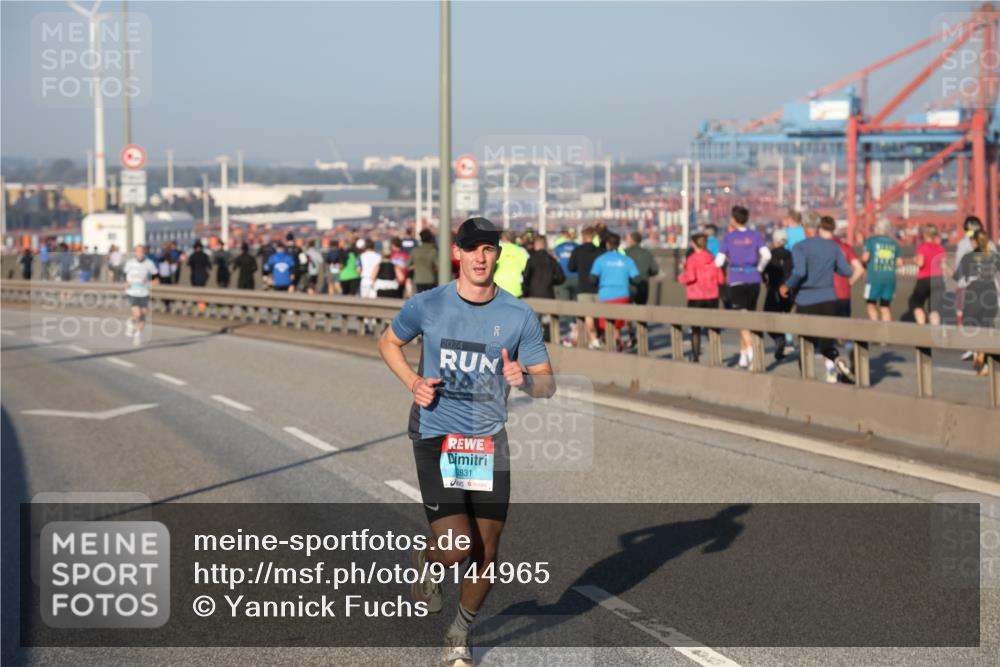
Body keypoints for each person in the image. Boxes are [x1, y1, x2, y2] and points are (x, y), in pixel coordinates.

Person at [378, 216, 554, 667]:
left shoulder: (518, 315)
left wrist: (525, 380)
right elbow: (388, 343)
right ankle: (429, 558)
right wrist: (413, 382)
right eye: (472, 248)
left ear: (498, 254)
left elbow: (547, 383)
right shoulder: (428, 304)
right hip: (436, 433)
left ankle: (459, 633)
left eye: (488, 249)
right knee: (457, 545)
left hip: (487, 442)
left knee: (486, 551)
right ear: (457, 253)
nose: (480, 257)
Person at [779, 216, 861, 383]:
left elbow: (800, 272)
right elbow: (847, 271)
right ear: (818, 227)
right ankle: (836, 361)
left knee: (806, 343)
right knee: (826, 341)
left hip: (806, 300)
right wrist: (830, 265)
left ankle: (806, 381)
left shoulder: (800, 247)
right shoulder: (833, 246)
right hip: (829, 299)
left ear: (804, 227)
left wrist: (786, 286)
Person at [715, 206, 770, 368]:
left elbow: (718, 262)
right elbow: (767, 255)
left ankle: (752, 352)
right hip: (754, 280)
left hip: (737, 280)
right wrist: (759, 268)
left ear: (733, 219)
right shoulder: (755, 235)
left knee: (742, 318)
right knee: (748, 318)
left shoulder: (729, 237)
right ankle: (743, 355)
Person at [953, 229, 999, 375]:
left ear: (974, 241)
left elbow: (957, 277)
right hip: (990, 293)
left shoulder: (968, 257)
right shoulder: (994, 256)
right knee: (986, 326)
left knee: (971, 325)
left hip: (974, 294)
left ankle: (978, 355)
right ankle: (983, 357)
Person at [590, 233, 640, 350]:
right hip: (623, 295)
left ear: (607, 244)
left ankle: (614, 343)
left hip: (606, 295)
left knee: (606, 323)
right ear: (618, 244)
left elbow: (592, 279)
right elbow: (637, 279)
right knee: (617, 322)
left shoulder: (600, 260)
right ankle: (618, 342)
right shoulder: (627, 260)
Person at [679, 233, 723, 362]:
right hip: (712, 296)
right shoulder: (713, 259)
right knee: (713, 327)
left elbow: (691, 277)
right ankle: (716, 357)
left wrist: (681, 276)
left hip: (696, 296)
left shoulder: (692, 259)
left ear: (694, 244)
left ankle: (695, 356)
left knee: (695, 329)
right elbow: (721, 279)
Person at [954, 216, 996, 332]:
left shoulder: (964, 244)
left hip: (970, 286)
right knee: (986, 321)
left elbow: (959, 270)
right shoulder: (990, 243)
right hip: (989, 287)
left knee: (967, 319)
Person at [568, 227, 604, 348]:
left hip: (583, 288)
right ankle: (595, 339)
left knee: (588, 315)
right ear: (593, 237)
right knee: (598, 315)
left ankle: (593, 340)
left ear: (583, 237)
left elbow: (571, 267)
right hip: (599, 288)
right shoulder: (600, 251)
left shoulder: (577, 250)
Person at [762, 229, 794, 360]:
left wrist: (765, 281)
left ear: (775, 241)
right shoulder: (791, 255)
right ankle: (783, 343)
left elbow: (762, 271)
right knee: (785, 317)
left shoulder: (770, 255)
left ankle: (779, 338)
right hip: (789, 291)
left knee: (767, 318)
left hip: (774, 291)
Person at [861, 219, 902, 322]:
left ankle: (875, 328)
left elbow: (865, 258)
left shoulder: (871, 241)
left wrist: (864, 265)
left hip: (874, 278)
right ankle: (886, 330)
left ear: (877, 228)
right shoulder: (894, 243)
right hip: (890, 278)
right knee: (885, 306)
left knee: (871, 304)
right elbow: (899, 263)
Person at [907, 223, 946, 325]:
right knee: (934, 308)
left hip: (924, 279)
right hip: (938, 279)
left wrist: (914, 260)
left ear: (925, 234)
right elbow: (944, 265)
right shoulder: (940, 248)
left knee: (915, 302)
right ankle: (935, 330)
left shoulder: (922, 247)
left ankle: (921, 324)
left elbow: (921, 263)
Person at [123, 245, 159, 346]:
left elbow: (156, 275)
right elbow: (123, 274)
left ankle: (137, 335)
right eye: (138, 251)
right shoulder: (130, 263)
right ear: (135, 253)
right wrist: (125, 282)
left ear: (144, 252)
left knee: (143, 315)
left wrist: (155, 281)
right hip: (132, 291)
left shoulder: (149, 263)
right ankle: (131, 322)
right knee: (138, 314)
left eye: (142, 251)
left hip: (144, 292)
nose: (140, 253)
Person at [832, 232, 864, 318]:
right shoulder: (845, 247)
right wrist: (849, 283)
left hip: (823, 294)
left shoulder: (818, 246)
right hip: (843, 293)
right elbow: (859, 269)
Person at [625, 231, 659, 305]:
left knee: (626, 309)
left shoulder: (625, 253)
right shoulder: (647, 253)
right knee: (641, 308)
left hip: (629, 285)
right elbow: (655, 270)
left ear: (631, 240)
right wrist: (646, 274)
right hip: (643, 284)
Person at [493, 230, 530, 297]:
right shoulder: (522, 252)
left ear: (503, 238)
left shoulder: (497, 249)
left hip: (498, 288)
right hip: (516, 289)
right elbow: (527, 271)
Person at [408, 229, 439, 294]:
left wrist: (416, 265)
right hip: (431, 279)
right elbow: (438, 266)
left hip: (419, 280)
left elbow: (407, 265)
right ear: (430, 239)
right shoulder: (433, 251)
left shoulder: (415, 250)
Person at [553, 228, 579, 301]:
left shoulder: (559, 247)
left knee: (564, 303)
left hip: (563, 277)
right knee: (575, 303)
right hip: (576, 277)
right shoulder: (578, 247)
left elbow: (554, 262)